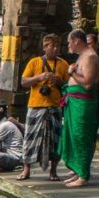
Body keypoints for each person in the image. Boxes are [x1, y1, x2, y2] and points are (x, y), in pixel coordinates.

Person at [19, 34, 68, 181]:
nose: (54, 49)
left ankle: (53, 171)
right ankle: (26, 169)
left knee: (54, 139)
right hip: (36, 106)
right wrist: (39, 78)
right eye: (51, 46)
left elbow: (68, 85)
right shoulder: (34, 62)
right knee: (30, 138)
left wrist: (58, 81)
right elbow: (23, 82)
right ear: (45, 47)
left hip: (54, 106)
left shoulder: (63, 64)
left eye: (57, 46)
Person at [58, 30, 99, 188]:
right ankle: (77, 171)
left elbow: (88, 84)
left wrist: (72, 73)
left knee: (81, 137)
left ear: (77, 41)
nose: (69, 45)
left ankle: (83, 175)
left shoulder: (90, 57)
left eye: (70, 42)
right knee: (72, 136)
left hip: (83, 103)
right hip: (74, 101)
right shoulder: (83, 55)